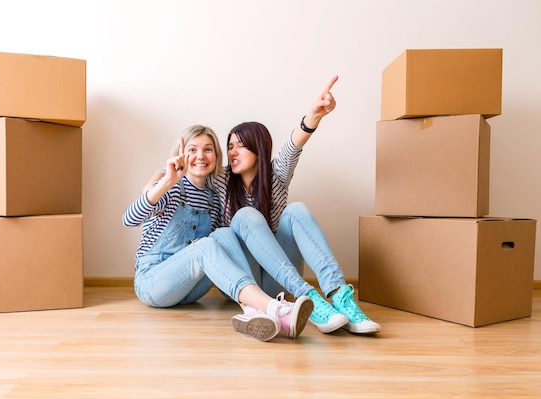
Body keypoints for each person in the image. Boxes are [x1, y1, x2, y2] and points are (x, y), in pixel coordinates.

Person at [147, 77, 381, 335]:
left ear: (259, 148)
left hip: (278, 279)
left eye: (240, 145)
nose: (232, 152)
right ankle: (308, 298)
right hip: (245, 281)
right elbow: (183, 170)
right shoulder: (221, 179)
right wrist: (156, 183)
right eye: (230, 146)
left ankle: (339, 296)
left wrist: (314, 115)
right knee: (234, 224)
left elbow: (294, 145)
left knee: (296, 210)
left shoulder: (276, 176)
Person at [123, 124, 313, 342]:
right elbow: (129, 219)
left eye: (208, 149)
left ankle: (253, 311)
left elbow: (221, 251)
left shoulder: (214, 199)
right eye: (192, 149)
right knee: (205, 245)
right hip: (154, 283)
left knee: (221, 235)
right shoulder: (171, 186)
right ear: (181, 154)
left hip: (192, 290)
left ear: (216, 156)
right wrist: (164, 180)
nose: (200, 156)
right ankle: (274, 308)